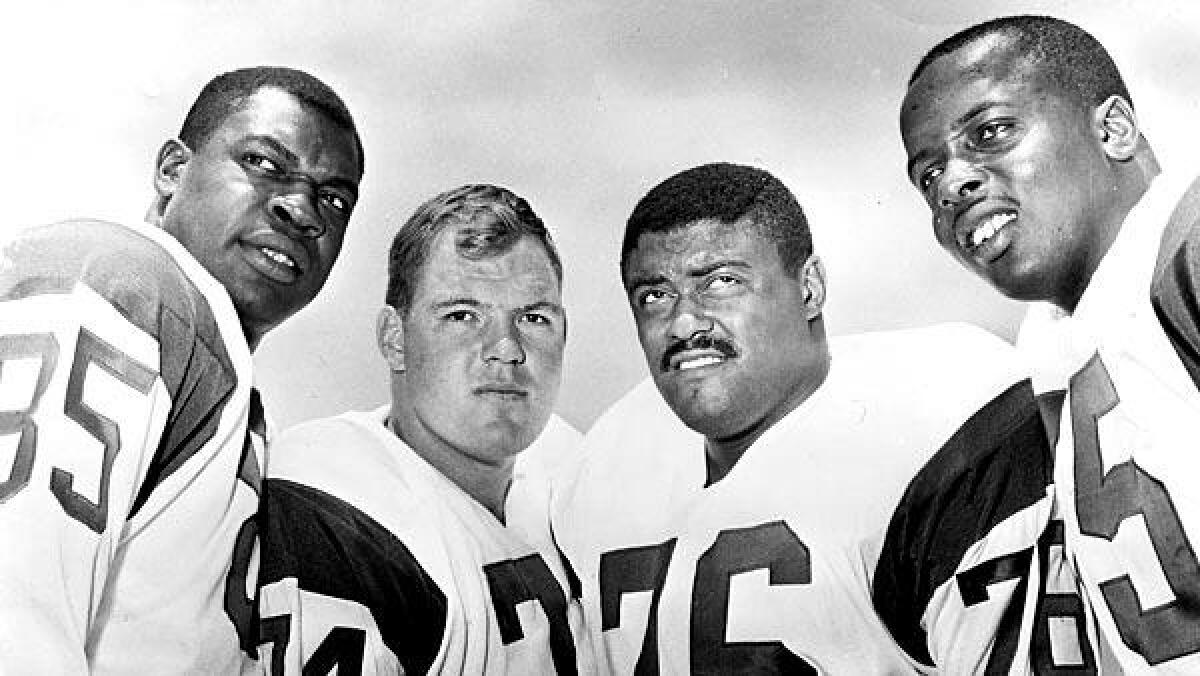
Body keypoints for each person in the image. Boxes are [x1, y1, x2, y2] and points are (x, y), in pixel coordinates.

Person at [553, 162, 1053, 673]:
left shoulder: (942, 417)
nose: (683, 321)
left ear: (809, 288)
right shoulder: (606, 458)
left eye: (721, 282)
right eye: (654, 296)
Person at [0, 66, 364, 672]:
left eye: (333, 198)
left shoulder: (206, 353)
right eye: (264, 162)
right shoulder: (126, 279)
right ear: (173, 170)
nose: (303, 209)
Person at [900, 14, 1200, 671]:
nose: (951, 185)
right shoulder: (1056, 341)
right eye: (928, 177)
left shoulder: (1187, 244)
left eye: (990, 132)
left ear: (1112, 128)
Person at [255, 184, 594, 674]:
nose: (506, 348)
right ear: (395, 339)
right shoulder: (331, 498)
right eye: (463, 315)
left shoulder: (576, 473)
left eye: (534, 318)